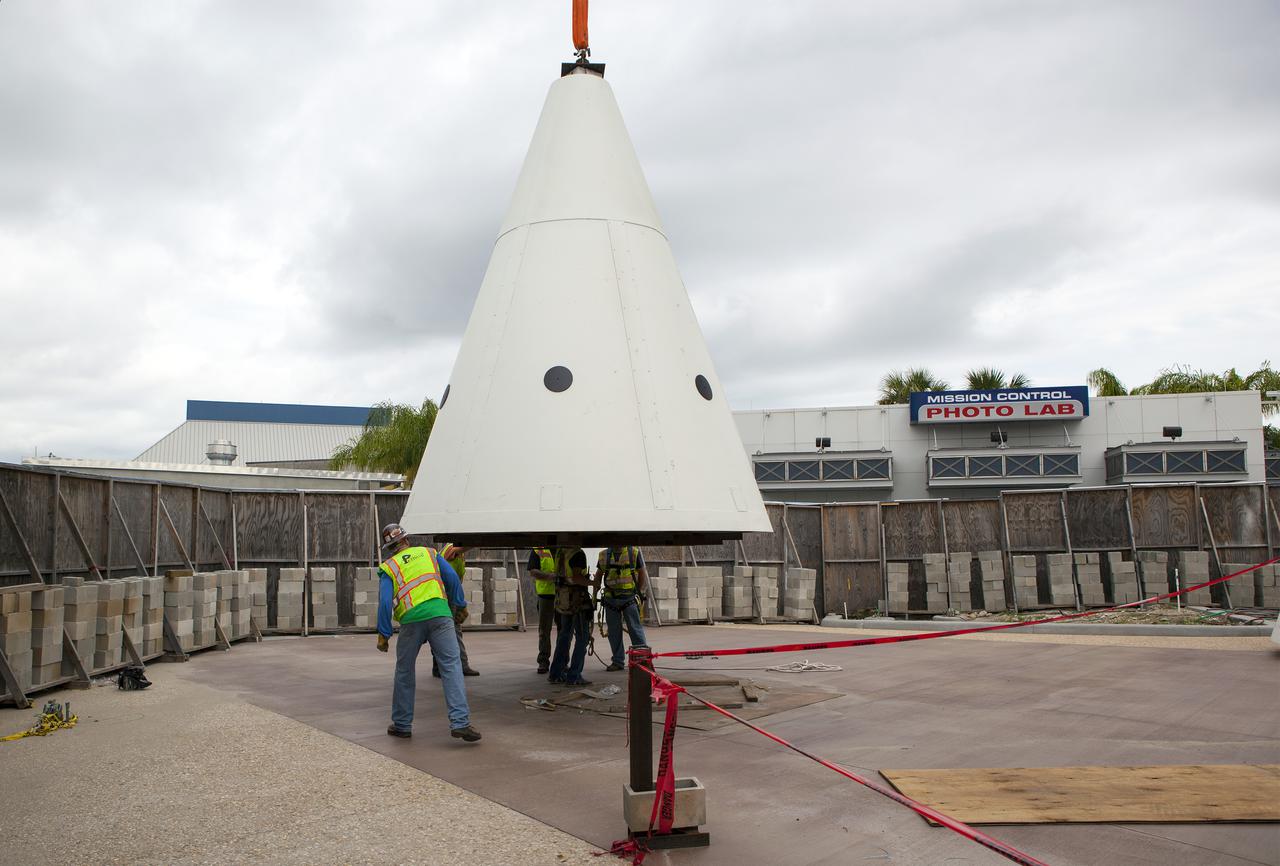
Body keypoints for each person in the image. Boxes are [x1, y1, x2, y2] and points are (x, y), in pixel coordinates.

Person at [376, 523, 481, 743]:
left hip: (412, 620)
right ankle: (460, 723)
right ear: (406, 540)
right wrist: (460, 605)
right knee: (451, 667)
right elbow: (452, 578)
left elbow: (385, 602)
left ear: (391, 547)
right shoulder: (429, 554)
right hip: (441, 616)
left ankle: (402, 725)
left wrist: (384, 634)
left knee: (404, 671)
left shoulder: (389, 566)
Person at [594, 546, 650, 671]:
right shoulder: (604, 555)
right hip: (610, 599)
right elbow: (598, 575)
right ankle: (618, 661)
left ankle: (641, 660)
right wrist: (594, 595)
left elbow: (642, 572)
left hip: (628, 598)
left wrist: (639, 592)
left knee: (635, 630)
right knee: (614, 632)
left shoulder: (633, 553)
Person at [432, 543, 479, 678]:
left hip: (453, 597)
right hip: (445, 597)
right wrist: (477, 541)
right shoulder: (449, 548)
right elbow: (457, 549)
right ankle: (440, 667)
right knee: (443, 632)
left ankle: (462, 665)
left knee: (456, 631)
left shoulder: (461, 556)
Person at [547, 547, 592, 686]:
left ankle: (555, 673)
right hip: (577, 601)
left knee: (564, 636)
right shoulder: (577, 553)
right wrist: (593, 583)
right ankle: (574, 676)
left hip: (564, 600)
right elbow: (577, 577)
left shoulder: (561, 551)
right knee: (582, 638)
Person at [527, 546, 558, 674]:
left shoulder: (563, 548)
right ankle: (543, 661)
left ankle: (562, 661)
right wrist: (551, 576)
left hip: (563, 594)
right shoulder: (538, 550)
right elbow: (533, 572)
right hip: (546, 595)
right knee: (544, 630)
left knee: (564, 631)